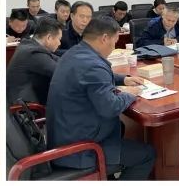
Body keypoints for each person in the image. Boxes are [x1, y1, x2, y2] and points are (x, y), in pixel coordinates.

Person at [46, 16, 154, 180]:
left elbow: (93, 77)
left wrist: (123, 79)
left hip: (65, 133)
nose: (114, 47)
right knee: (147, 154)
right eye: (114, 42)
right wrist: (130, 94)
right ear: (104, 38)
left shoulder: (75, 52)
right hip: (80, 150)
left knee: (121, 127)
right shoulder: (93, 65)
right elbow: (110, 108)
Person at [7, 16, 63, 105]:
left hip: (26, 100)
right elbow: (61, 72)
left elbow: (58, 59)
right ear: (49, 38)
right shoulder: (34, 53)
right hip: (25, 108)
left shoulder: (29, 44)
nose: (60, 43)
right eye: (59, 39)